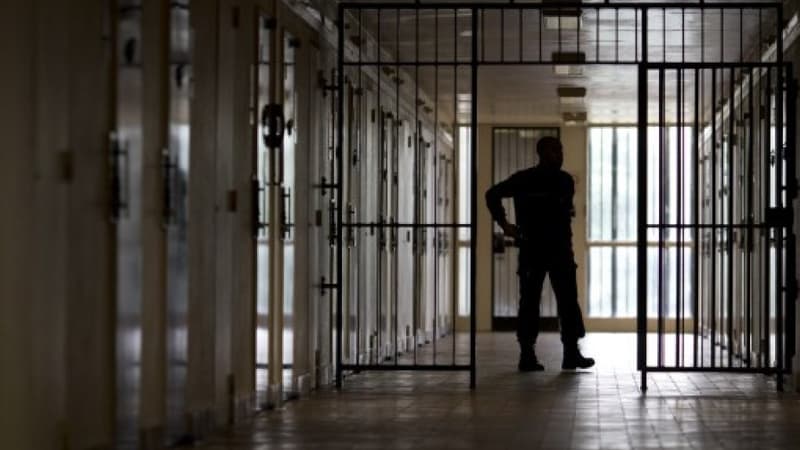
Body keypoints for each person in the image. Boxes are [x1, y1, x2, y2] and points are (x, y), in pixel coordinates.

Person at [485, 136, 595, 372]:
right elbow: (491, 194)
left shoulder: (559, 180)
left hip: (551, 249)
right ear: (542, 153)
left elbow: (493, 194)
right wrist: (504, 225)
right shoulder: (534, 179)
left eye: (561, 149)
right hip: (540, 249)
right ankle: (529, 354)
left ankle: (569, 353)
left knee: (564, 302)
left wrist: (506, 224)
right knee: (532, 302)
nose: (560, 154)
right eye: (555, 150)